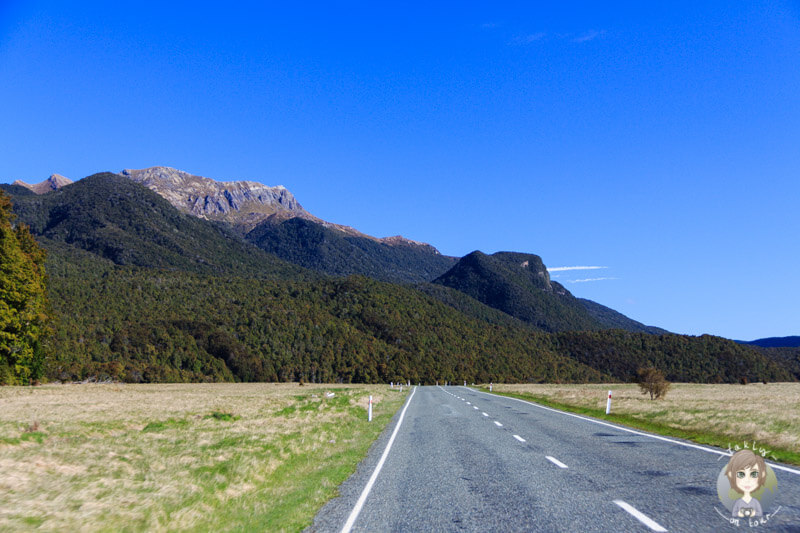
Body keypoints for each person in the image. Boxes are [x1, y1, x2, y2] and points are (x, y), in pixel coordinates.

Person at [725, 449, 767, 517]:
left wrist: (754, 513)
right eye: (741, 474)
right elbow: (734, 513)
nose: (747, 480)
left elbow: (759, 513)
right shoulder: (739, 502)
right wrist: (739, 514)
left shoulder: (755, 502)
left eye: (754, 474)